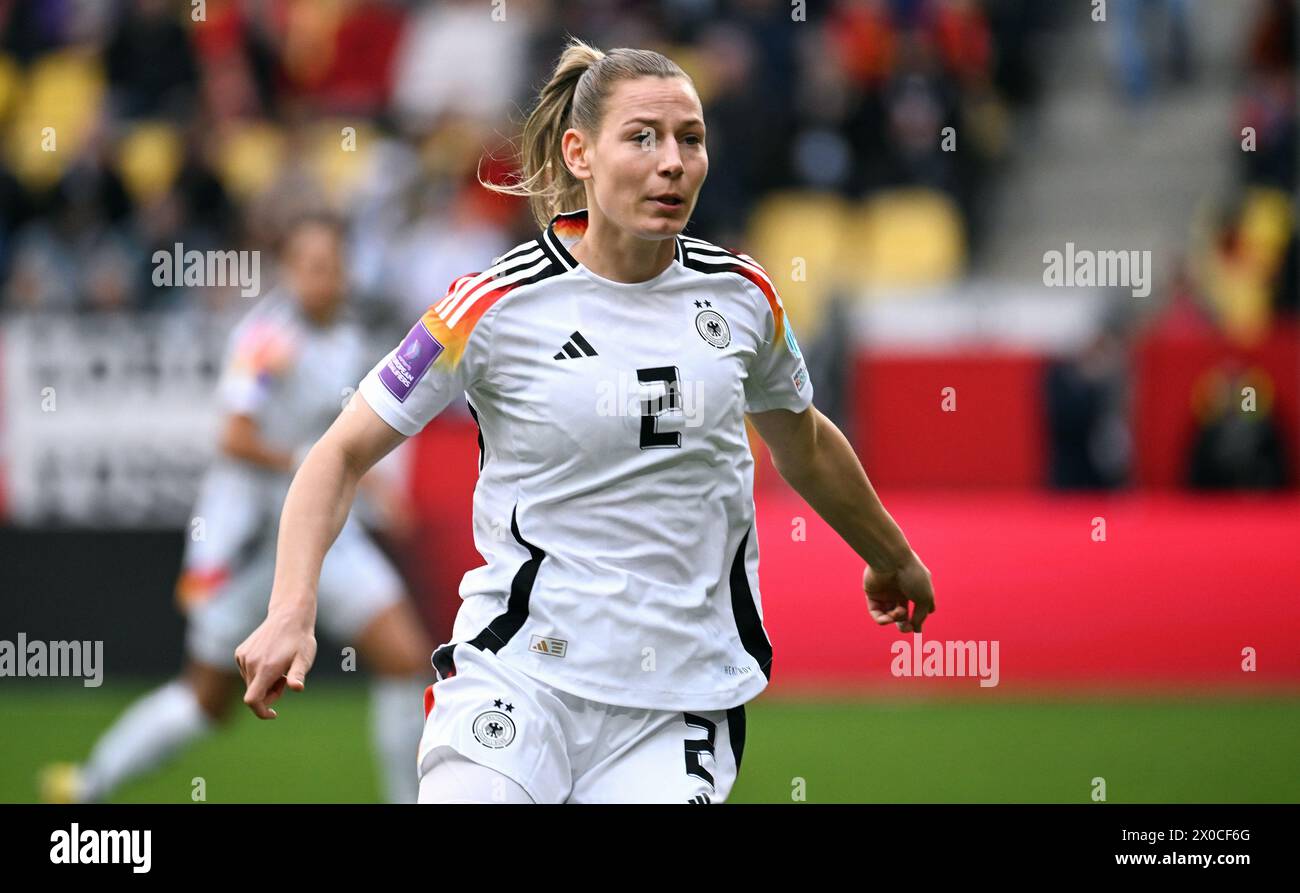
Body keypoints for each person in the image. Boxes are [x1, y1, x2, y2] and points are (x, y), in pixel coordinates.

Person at [235, 38, 935, 804]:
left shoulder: (743, 298)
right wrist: (291, 609)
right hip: (517, 671)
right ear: (580, 153)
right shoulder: (491, 306)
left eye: (690, 139)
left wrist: (891, 554)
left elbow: (801, 441)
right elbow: (337, 454)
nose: (672, 161)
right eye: (642, 136)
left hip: (678, 701)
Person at [40, 214, 432, 804]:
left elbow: (344, 437)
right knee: (205, 702)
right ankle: (88, 785)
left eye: (333, 266)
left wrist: (373, 489)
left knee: (406, 660)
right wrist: (307, 460)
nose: (324, 278)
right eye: (311, 266)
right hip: (248, 542)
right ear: (289, 270)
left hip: (326, 535)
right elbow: (234, 437)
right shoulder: (265, 340)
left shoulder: (349, 333)